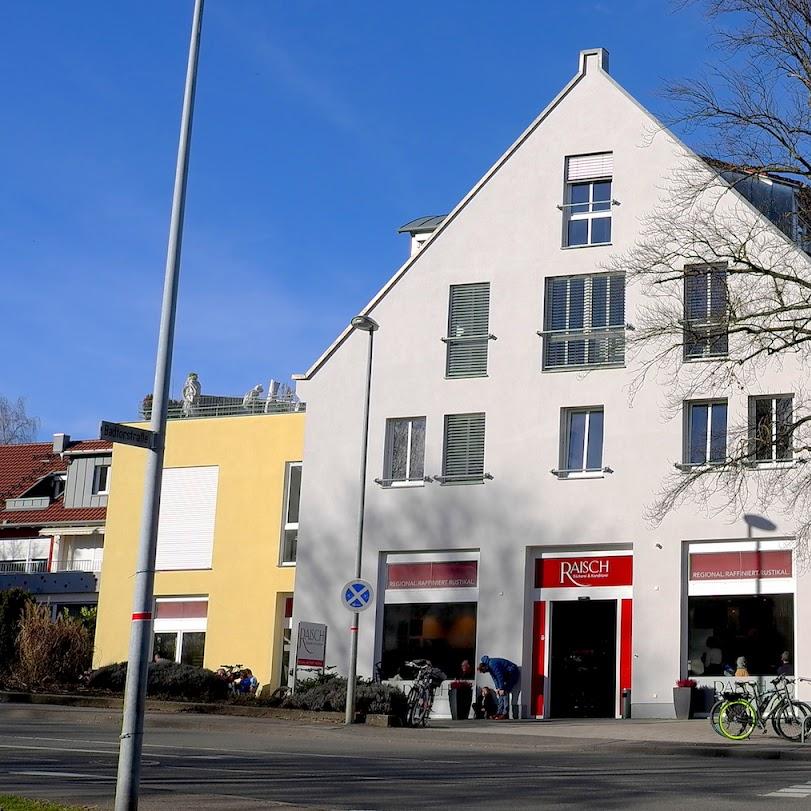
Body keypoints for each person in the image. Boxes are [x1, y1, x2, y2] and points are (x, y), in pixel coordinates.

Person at [478, 655, 520, 720]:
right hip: (506, 674)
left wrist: (502, 688)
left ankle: (505, 713)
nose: (485, 672)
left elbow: (499, 676)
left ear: (484, 667)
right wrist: (497, 688)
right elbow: (494, 678)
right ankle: (499, 712)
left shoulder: (493, 664)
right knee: (500, 692)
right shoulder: (489, 667)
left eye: (484, 671)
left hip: (512, 672)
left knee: (505, 691)